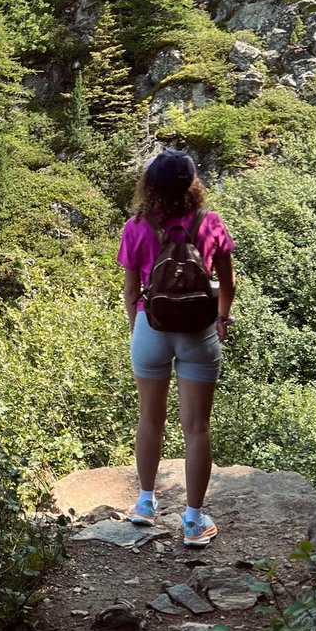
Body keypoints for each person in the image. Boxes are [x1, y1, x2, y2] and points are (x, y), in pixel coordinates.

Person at [116, 149, 236, 547]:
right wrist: (222, 318)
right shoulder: (210, 222)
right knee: (197, 427)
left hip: (151, 326)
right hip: (198, 331)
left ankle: (144, 504)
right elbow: (228, 283)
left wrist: (139, 328)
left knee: (150, 419)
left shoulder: (136, 225)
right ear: (192, 184)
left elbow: (131, 290)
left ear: (149, 185)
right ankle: (194, 522)